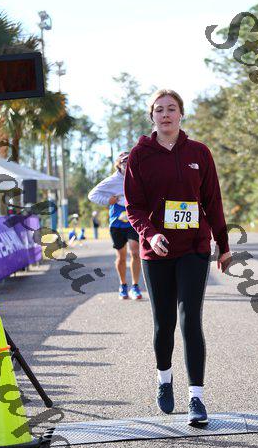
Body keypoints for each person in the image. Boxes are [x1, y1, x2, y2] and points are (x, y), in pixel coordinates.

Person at [124, 89, 232, 426]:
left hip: (194, 248)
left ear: (181, 114)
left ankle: (196, 397)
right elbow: (133, 207)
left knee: (190, 320)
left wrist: (223, 244)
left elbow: (213, 201)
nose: (166, 114)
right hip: (156, 251)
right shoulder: (139, 156)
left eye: (172, 109)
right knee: (164, 323)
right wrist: (150, 234)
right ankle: (164, 379)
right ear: (152, 116)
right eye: (159, 110)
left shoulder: (199, 152)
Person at [88, 152, 142, 300]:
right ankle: (123, 285)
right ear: (118, 165)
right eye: (124, 162)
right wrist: (108, 200)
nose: (127, 165)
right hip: (117, 223)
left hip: (133, 220)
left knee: (135, 251)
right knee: (121, 256)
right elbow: (92, 195)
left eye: (130, 162)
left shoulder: (138, 177)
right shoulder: (111, 181)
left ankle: (135, 286)